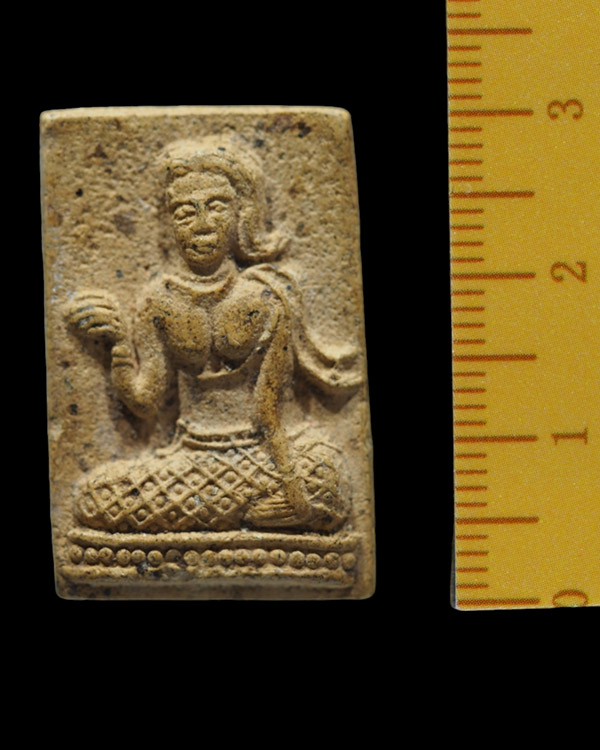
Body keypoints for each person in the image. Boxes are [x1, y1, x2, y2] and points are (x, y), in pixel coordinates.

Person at [66, 138, 361, 534]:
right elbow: (145, 402)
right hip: (191, 459)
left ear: (241, 215)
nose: (202, 224)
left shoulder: (266, 295)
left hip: (263, 458)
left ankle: (225, 514)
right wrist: (118, 345)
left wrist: (295, 493)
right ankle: (239, 514)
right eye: (185, 212)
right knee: (93, 496)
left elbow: (269, 411)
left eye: (217, 207)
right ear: (169, 223)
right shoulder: (158, 302)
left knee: (327, 475)